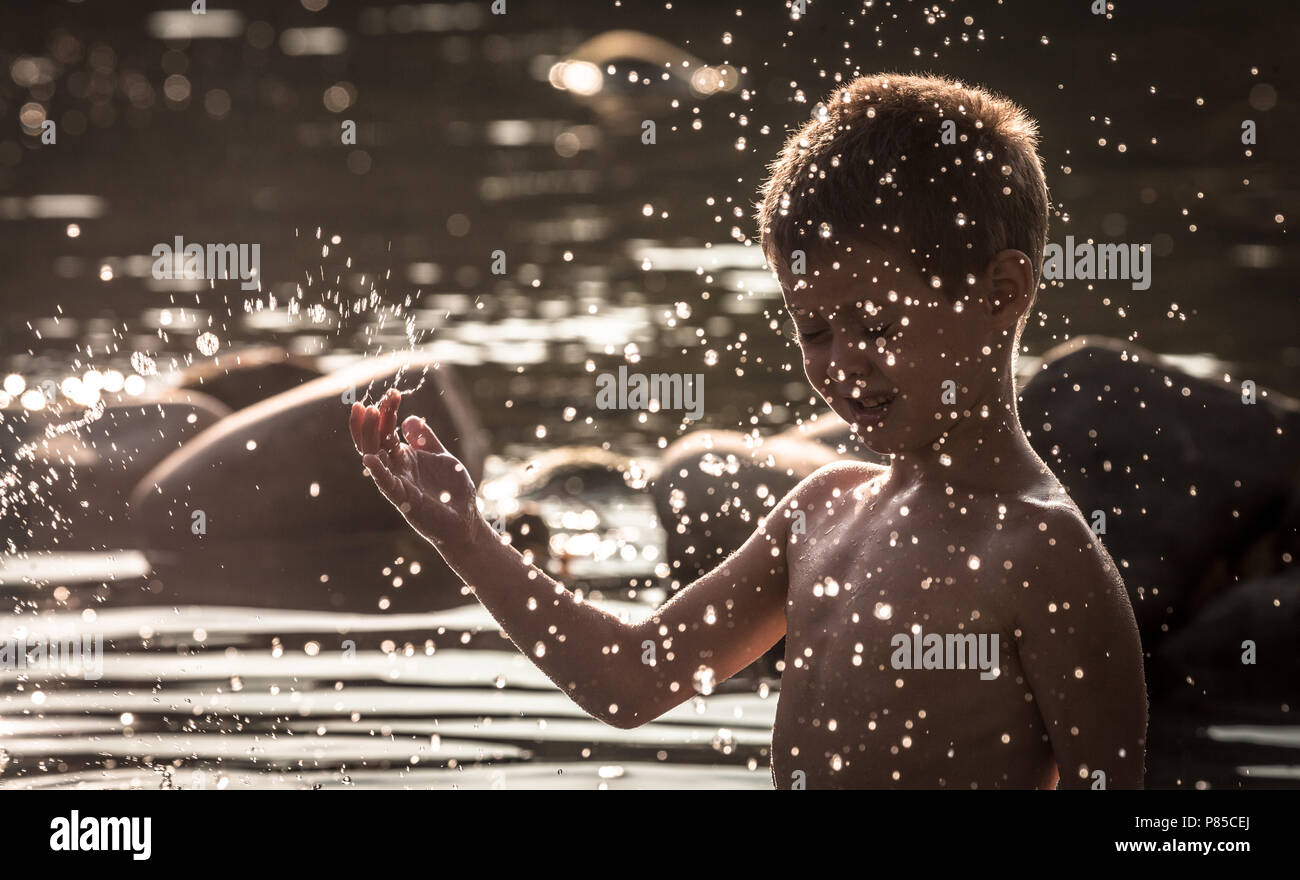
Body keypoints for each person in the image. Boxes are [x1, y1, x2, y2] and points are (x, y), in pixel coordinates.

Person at [347, 73, 1148, 789]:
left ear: (1001, 292)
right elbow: (630, 680)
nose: (842, 363)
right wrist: (465, 536)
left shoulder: (1046, 557)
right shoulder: (822, 514)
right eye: (813, 330)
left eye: (872, 323)